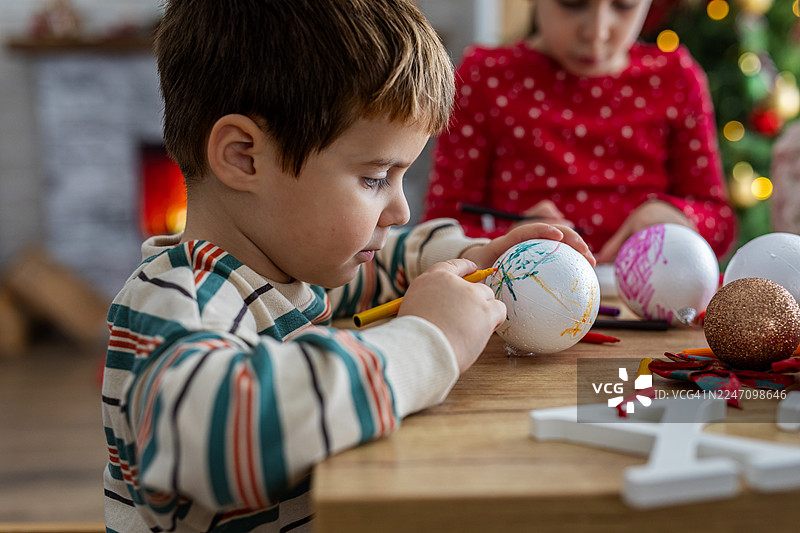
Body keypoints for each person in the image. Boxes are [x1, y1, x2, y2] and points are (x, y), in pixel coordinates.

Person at [101, 1, 595, 532]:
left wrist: (467, 258)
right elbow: (214, 439)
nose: (401, 210)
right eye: (375, 178)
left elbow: (385, 268)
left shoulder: (286, 270)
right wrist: (429, 342)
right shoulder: (179, 298)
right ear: (244, 156)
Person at [422, 0, 737, 263]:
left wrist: (677, 217)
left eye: (624, 5)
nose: (596, 32)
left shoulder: (675, 79)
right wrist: (510, 241)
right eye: (572, 3)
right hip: (526, 300)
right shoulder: (486, 77)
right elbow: (439, 231)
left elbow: (720, 224)